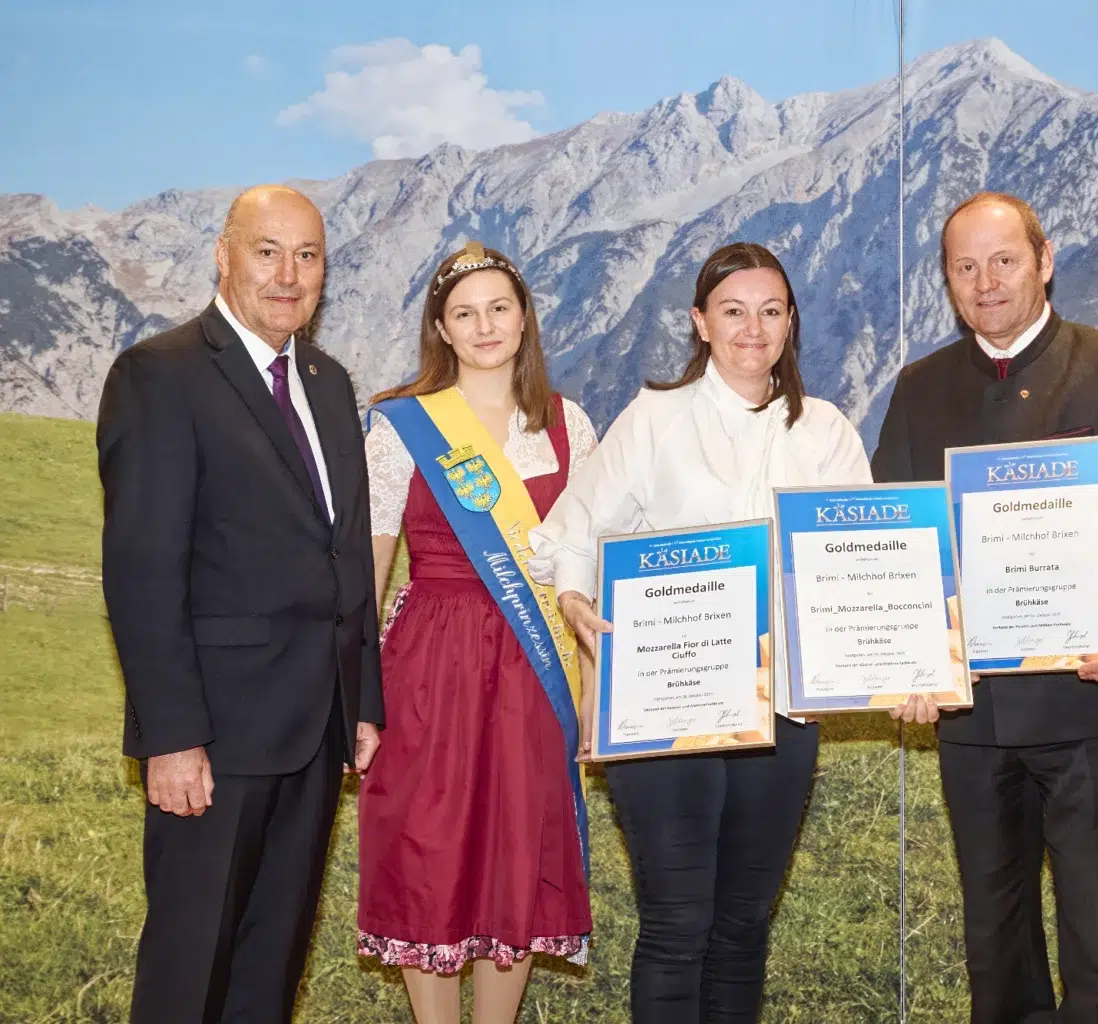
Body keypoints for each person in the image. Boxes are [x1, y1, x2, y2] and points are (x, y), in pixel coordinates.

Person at [872, 192, 1098, 1023]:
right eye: (964, 266)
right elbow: (893, 545)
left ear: (1045, 260)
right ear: (946, 279)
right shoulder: (919, 389)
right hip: (973, 718)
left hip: (1089, 703)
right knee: (995, 945)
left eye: (1004, 260)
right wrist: (905, 655)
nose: (986, 283)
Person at [530, 241, 871, 1023]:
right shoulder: (654, 416)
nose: (754, 328)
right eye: (733, 310)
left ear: (790, 323)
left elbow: (858, 567)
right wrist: (579, 604)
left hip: (781, 714)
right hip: (663, 708)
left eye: (771, 310)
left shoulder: (826, 431)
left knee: (745, 929)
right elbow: (573, 535)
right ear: (700, 322)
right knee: (678, 924)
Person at [96, 185, 384, 1023]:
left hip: (315, 730)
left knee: (271, 967)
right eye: (268, 251)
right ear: (223, 256)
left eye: (308, 256)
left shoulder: (330, 385)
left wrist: (361, 699)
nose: (289, 275)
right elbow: (142, 573)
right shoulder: (160, 375)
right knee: (191, 975)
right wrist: (174, 738)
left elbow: (348, 554)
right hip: (215, 744)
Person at [355, 242, 597, 1023]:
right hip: (431, 661)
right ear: (442, 328)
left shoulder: (569, 424)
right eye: (465, 313)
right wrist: (356, 690)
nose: (485, 325)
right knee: (427, 846)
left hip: (536, 665)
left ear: (524, 319)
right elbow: (369, 567)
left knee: (515, 855)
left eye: (499, 308)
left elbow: (585, 565)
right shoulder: (402, 426)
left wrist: (596, 687)